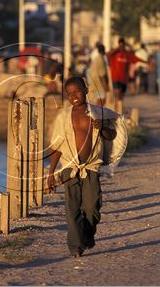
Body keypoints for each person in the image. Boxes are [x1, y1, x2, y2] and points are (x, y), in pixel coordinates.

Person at [46, 77, 116, 258]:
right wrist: (50, 173)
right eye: (69, 94)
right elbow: (57, 146)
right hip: (70, 167)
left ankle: (87, 235)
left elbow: (112, 134)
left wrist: (101, 129)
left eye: (77, 91)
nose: (73, 96)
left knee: (92, 207)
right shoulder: (63, 117)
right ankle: (75, 246)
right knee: (72, 208)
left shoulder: (97, 113)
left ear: (86, 89)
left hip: (91, 166)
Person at [107, 38, 145, 112]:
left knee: (121, 95)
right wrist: (117, 49)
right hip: (115, 78)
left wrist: (147, 62)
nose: (121, 47)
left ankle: (120, 109)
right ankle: (117, 109)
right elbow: (108, 54)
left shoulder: (127, 54)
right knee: (117, 94)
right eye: (120, 45)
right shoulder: (114, 54)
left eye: (122, 45)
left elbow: (136, 59)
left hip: (124, 78)